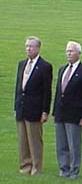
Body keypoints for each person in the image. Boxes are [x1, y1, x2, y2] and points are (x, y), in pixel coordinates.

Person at [52, 41, 82, 179]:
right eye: (67, 51)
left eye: (71, 51)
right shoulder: (62, 69)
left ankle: (74, 170)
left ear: (78, 53)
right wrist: (54, 111)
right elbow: (58, 92)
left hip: (75, 114)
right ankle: (63, 168)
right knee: (61, 144)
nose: (68, 53)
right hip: (60, 113)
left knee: (74, 144)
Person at [14, 36, 53, 175]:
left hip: (35, 109)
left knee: (34, 140)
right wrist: (16, 106)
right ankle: (25, 165)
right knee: (22, 140)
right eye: (26, 46)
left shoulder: (45, 66)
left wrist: (45, 111)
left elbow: (46, 91)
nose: (28, 49)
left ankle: (36, 167)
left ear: (38, 48)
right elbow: (18, 87)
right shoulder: (21, 64)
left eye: (31, 46)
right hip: (21, 107)